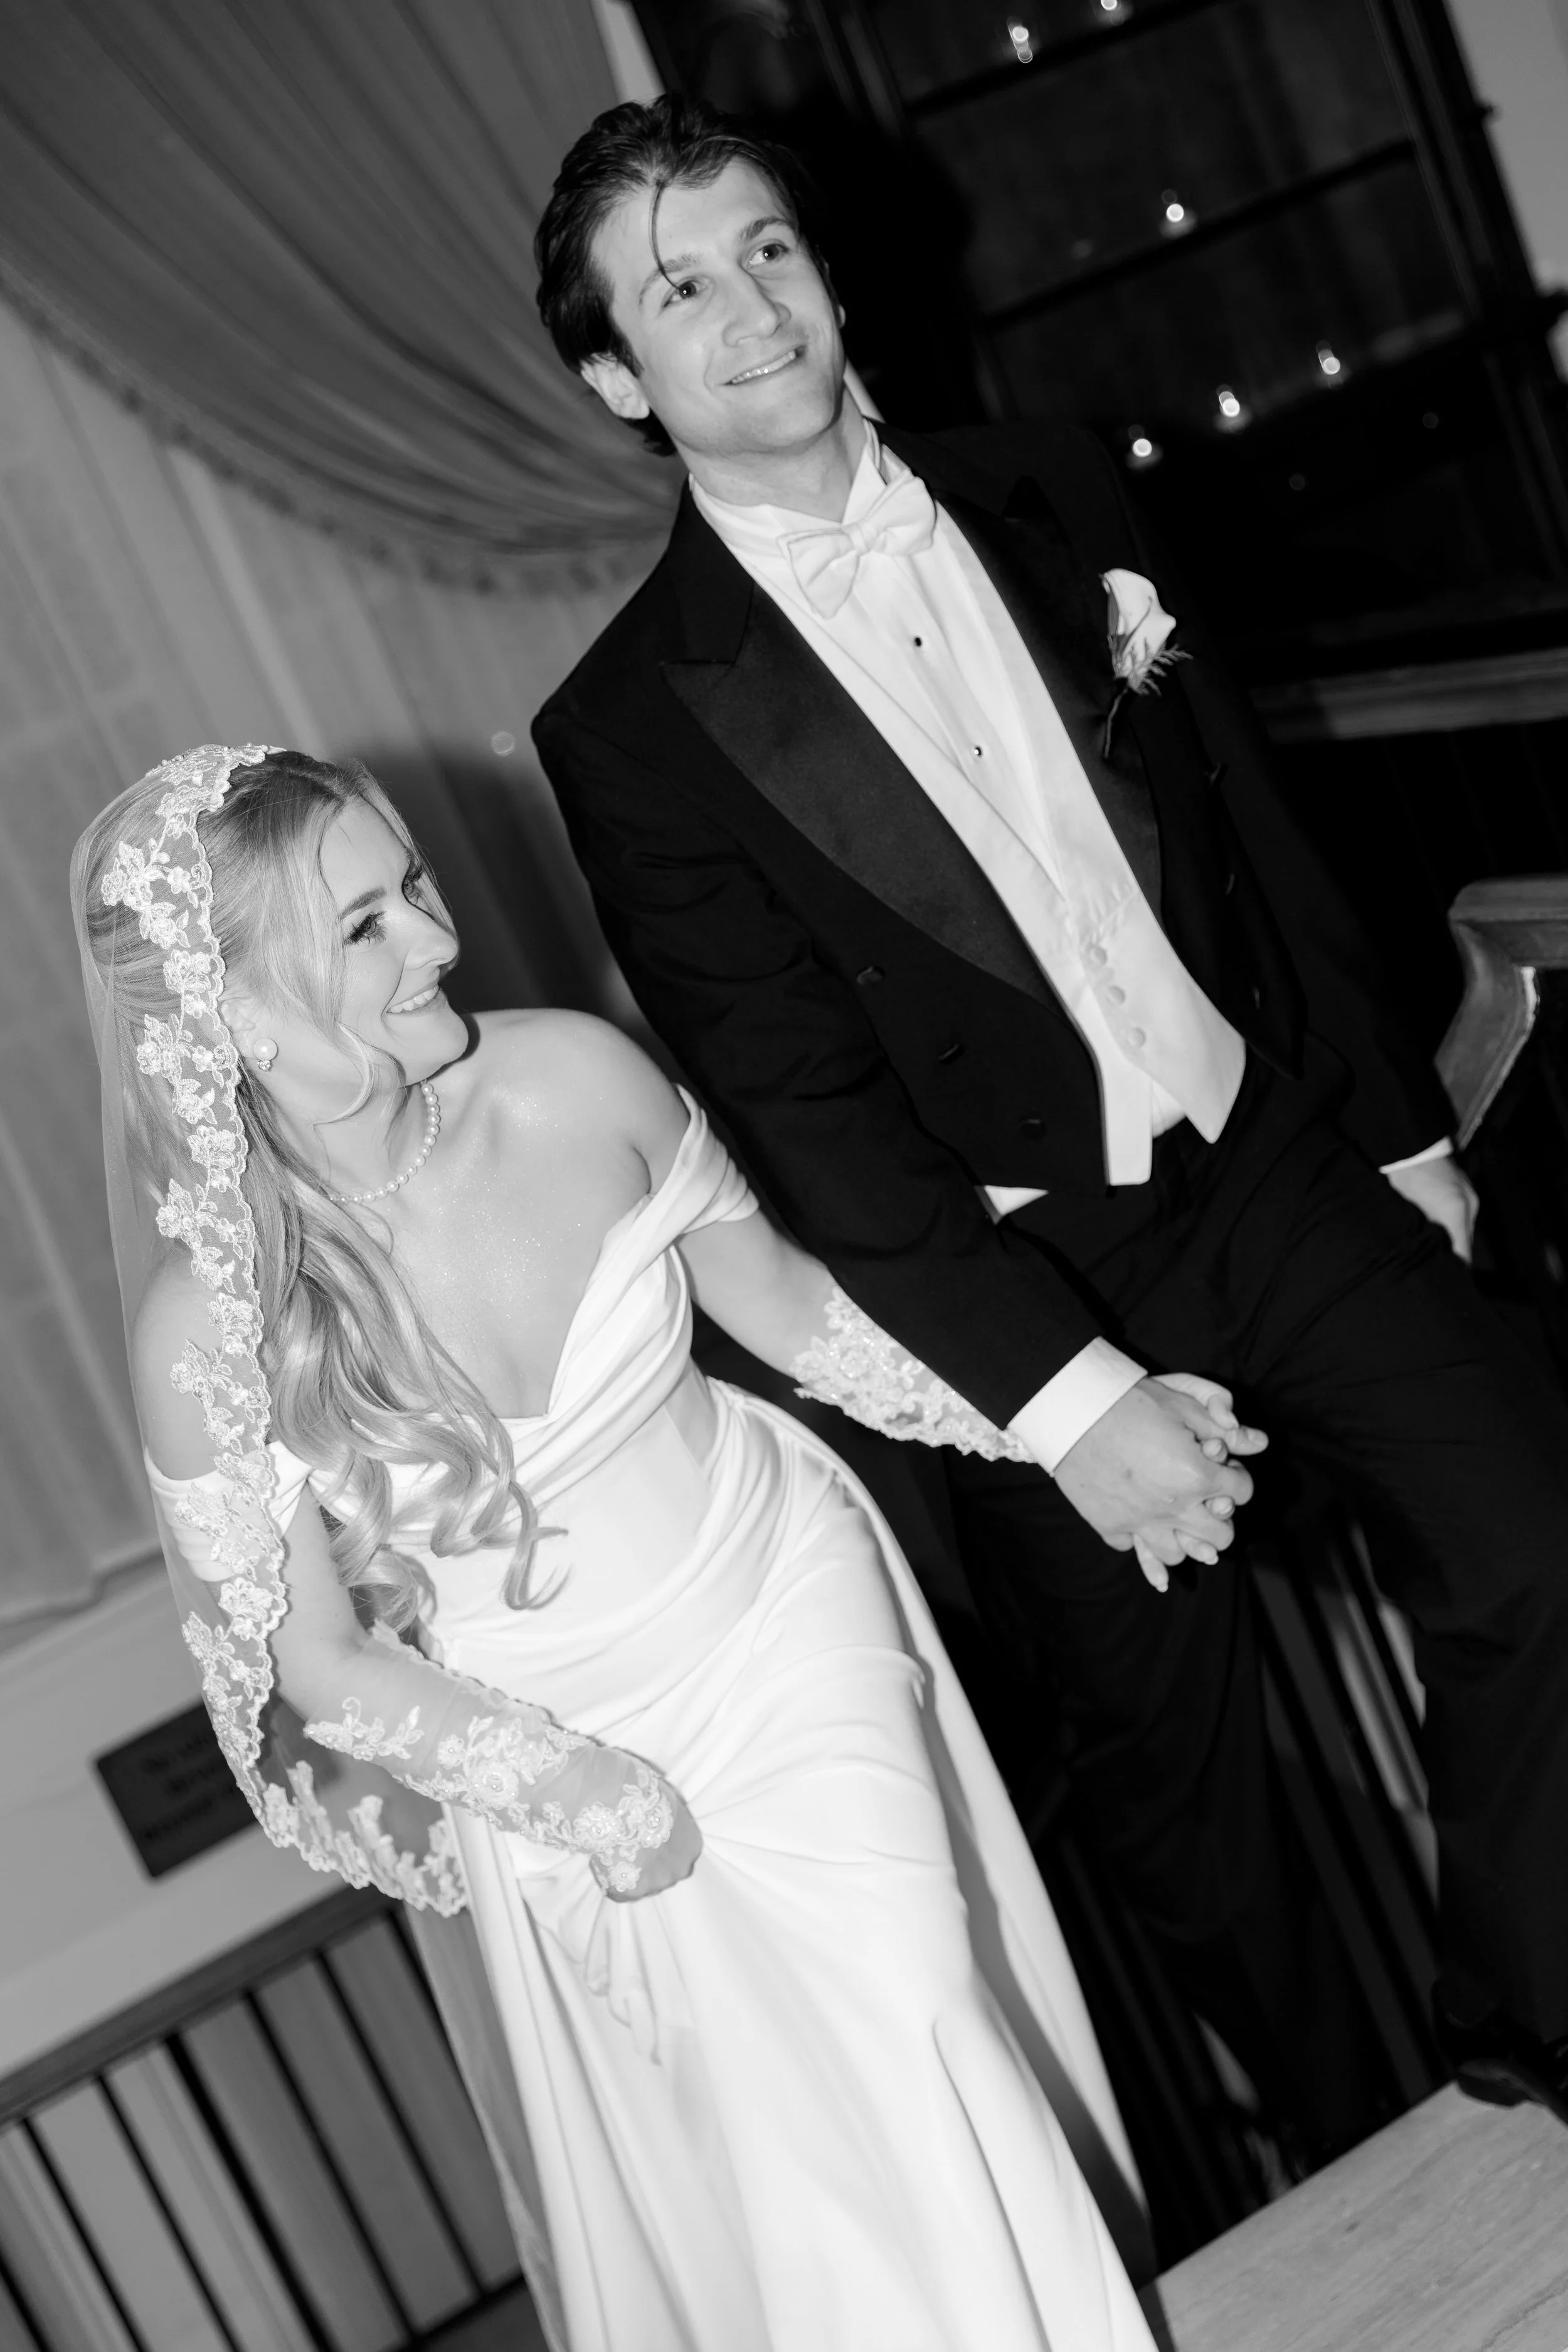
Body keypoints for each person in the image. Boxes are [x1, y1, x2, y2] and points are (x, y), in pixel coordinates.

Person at [529, 94, 1568, 2155]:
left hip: (1269, 1162)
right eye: (676, 290)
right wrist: (1073, 1402)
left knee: (1540, 1529)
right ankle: (1359, 2164)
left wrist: (1394, 1131)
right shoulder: (632, 726)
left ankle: (1530, 2004)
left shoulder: (1046, 482)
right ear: (611, 374)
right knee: (1196, 1807)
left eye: (765, 252)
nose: (745, 308)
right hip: (1024, 1275)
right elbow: (811, 1127)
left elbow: (1248, 837)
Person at [73, 742, 1173, 2352]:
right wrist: (571, 1789)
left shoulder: (578, 1078)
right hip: (550, 1740)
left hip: (775, 1594)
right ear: (231, 1015)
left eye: (416, 889)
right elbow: (313, 1658)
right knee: (778, 2166)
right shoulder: (207, 1339)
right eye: (363, 928)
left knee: (914, 2003)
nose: (438, 942)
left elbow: (797, 1312)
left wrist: (1072, 1427)